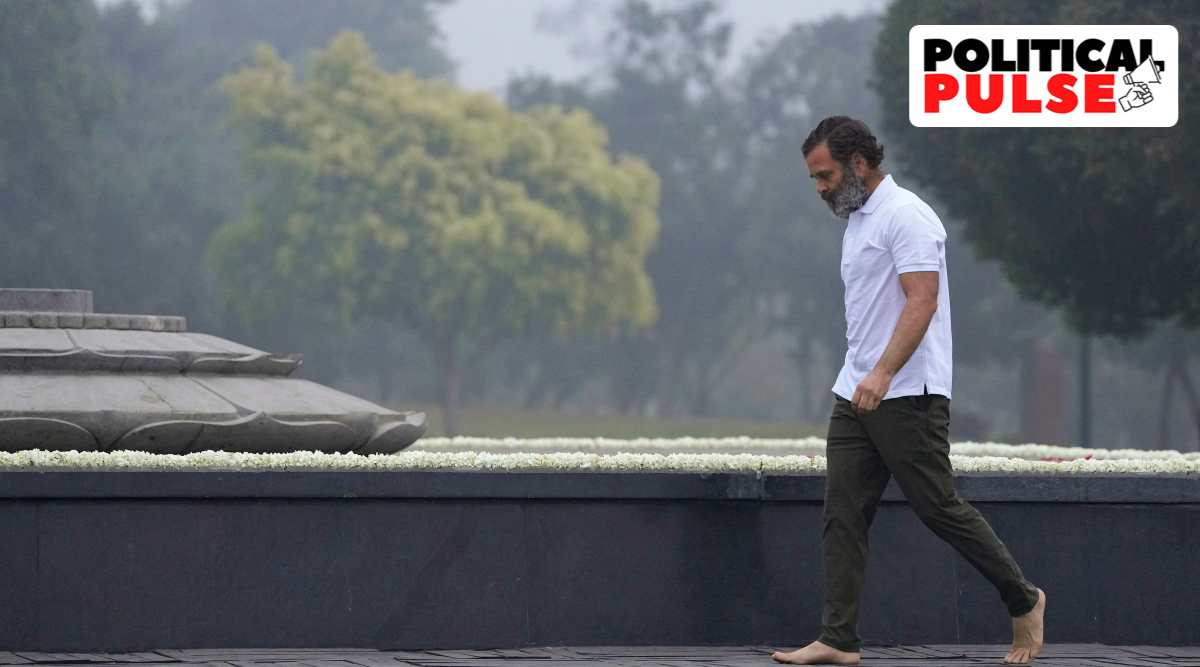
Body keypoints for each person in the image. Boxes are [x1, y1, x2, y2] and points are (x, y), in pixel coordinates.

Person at [770, 116, 1046, 666]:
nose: (821, 188)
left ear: (859, 164)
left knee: (937, 507)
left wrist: (884, 374)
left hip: (907, 393)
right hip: (856, 392)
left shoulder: (908, 216)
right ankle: (839, 640)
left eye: (825, 175)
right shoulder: (857, 221)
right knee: (842, 513)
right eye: (814, 179)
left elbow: (922, 300)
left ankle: (1024, 598)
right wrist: (862, 377)